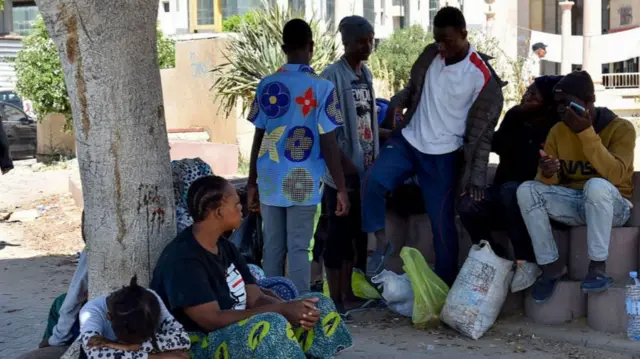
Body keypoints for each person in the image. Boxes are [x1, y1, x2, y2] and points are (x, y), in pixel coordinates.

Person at [361, 6, 504, 285]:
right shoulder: (431, 53)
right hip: (409, 140)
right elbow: (415, 88)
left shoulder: (483, 77)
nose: (442, 47)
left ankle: (443, 288)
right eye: (438, 39)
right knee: (372, 181)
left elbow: (482, 134)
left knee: (442, 225)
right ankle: (379, 243)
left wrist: (476, 177)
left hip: (443, 156)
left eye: (448, 41)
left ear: (464, 34)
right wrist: (399, 100)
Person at [151, 175, 352, 358]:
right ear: (219, 212)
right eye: (236, 204)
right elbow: (210, 320)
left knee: (319, 306)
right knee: (271, 325)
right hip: (199, 343)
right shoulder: (183, 260)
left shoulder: (225, 247)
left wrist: (293, 309)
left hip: (236, 328)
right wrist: (281, 311)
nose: (242, 209)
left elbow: (255, 298)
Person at [246, 18, 349, 293]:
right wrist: (340, 187)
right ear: (311, 46)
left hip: (269, 176)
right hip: (303, 180)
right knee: (299, 249)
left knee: (273, 248)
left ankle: (272, 311)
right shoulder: (322, 88)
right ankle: (303, 315)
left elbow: (258, 136)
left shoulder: (267, 85)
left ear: (283, 48)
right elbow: (328, 142)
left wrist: (252, 182)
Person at [517, 71, 635, 302]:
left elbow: (617, 176)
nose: (561, 109)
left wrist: (585, 133)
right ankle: (551, 266)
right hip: (576, 203)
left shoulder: (621, 129)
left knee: (596, 186)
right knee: (526, 190)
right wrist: (548, 173)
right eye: (557, 103)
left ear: (589, 102)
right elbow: (547, 185)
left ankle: (597, 267)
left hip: (614, 206)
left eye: (567, 102)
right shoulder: (558, 131)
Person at [458, 75, 563, 293]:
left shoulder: (556, 128)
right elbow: (493, 143)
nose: (526, 96)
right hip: (503, 195)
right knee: (468, 203)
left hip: (534, 202)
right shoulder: (515, 117)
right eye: (527, 91)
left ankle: (526, 262)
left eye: (534, 94)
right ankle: (492, 253)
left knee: (512, 190)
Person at [320, 15, 378, 311]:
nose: (367, 46)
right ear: (347, 43)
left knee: (356, 235)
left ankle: (349, 294)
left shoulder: (365, 74)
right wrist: (344, 166)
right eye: (362, 41)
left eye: (371, 40)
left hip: (365, 170)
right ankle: (334, 298)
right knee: (338, 236)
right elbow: (327, 131)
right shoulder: (332, 76)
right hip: (341, 173)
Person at [79, 276, 190, 359]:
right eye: (127, 341)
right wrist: (158, 357)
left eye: (142, 341)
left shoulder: (149, 301)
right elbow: (94, 353)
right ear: (108, 316)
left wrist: (131, 347)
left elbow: (182, 338)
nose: (127, 344)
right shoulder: (91, 312)